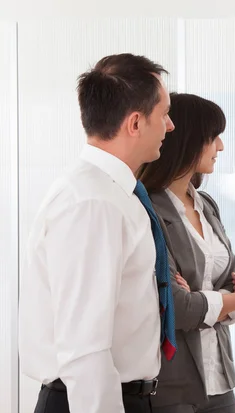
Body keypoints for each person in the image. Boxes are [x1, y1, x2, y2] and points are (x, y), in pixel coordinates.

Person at [19, 53, 176, 413]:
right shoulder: (93, 202)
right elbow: (85, 349)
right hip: (92, 401)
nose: (170, 126)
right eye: (164, 114)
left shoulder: (112, 192)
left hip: (122, 396)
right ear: (135, 123)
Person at [137, 93, 235, 413]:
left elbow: (234, 280)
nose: (220, 146)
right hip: (173, 386)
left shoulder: (207, 206)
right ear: (188, 141)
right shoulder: (147, 209)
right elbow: (175, 306)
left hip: (219, 379)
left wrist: (212, 300)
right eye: (213, 137)